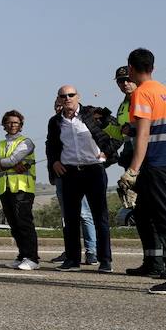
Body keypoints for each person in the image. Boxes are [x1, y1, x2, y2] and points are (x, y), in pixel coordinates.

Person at [121, 48, 166, 295]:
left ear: (131, 69)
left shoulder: (142, 93)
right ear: (152, 67)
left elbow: (143, 135)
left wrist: (132, 170)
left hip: (156, 165)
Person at [46, 85, 119, 272]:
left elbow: (119, 132)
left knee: (99, 217)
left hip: (93, 171)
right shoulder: (55, 122)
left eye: (71, 95)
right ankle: (72, 260)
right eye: (63, 96)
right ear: (59, 99)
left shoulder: (92, 114)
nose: (67, 98)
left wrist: (106, 153)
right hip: (70, 173)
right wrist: (54, 162)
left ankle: (105, 260)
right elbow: (51, 145)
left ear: (78, 96)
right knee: (70, 219)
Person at [107, 65, 166, 278]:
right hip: (132, 161)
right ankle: (150, 261)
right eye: (120, 81)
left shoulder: (146, 96)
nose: (124, 84)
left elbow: (147, 130)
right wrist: (105, 123)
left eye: (127, 79)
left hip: (149, 162)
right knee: (141, 215)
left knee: (158, 215)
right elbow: (122, 134)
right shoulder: (124, 104)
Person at [47, 94, 98, 265]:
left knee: (84, 214)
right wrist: (53, 171)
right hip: (62, 176)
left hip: (77, 172)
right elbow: (51, 149)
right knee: (67, 216)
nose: (60, 110)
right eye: (57, 108)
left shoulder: (80, 123)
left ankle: (92, 251)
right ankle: (70, 251)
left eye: (61, 107)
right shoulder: (55, 125)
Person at [0, 110, 39, 269]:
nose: (12, 125)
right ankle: (22, 255)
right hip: (5, 187)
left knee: (24, 222)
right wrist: (3, 163)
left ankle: (32, 258)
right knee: (14, 224)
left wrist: (2, 163)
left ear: (21, 125)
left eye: (16, 122)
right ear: (4, 125)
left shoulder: (26, 142)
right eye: (9, 122)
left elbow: (12, 160)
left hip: (22, 187)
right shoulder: (2, 143)